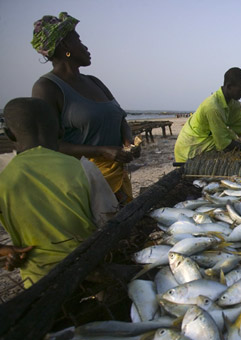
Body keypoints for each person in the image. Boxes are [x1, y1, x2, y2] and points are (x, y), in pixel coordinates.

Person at [30, 12, 140, 205]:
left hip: (117, 177)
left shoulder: (94, 82)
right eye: (79, 40)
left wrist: (129, 142)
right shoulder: (47, 87)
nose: (86, 47)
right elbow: (48, 145)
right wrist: (100, 151)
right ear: (65, 46)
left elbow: (120, 119)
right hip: (83, 182)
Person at [0, 98, 99, 288]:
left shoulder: (3, 173)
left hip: (37, 279)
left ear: (9, 134)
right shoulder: (84, 167)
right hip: (90, 267)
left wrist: (7, 251)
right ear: (61, 131)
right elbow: (108, 218)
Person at [174, 67, 241, 162]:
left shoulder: (233, 103)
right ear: (229, 87)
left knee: (231, 137)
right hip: (190, 149)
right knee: (230, 141)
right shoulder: (213, 107)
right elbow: (223, 144)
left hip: (206, 142)